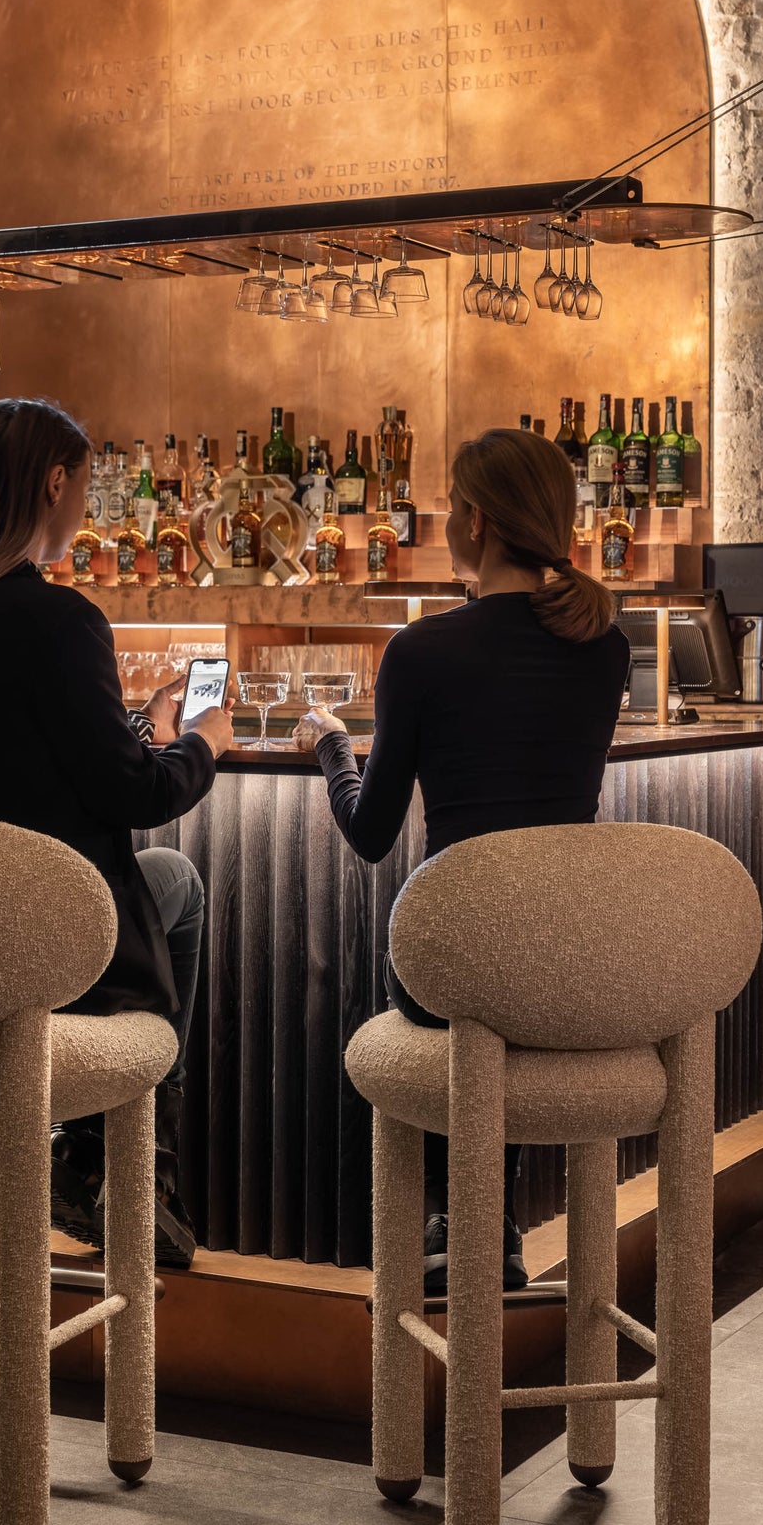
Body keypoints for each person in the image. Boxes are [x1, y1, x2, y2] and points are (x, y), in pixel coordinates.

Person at [0, 398, 233, 1269]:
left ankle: (102, 1154)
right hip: (47, 938)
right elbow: (133, 795)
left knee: (162, 884)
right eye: (82, 486)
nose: (86, 506)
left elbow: (6, 755)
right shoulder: (61, 620)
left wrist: (130, 723)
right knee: (178, 886)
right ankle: (117, 1151)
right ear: (55, 481)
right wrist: (200, 742)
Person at [294, 428, 629, 1292]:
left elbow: (369, 834)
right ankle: (489, 1219)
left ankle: (446, 1213)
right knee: (504, 961)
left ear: (473, 521)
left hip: (448, 962)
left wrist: (332, 747)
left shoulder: (422, 651)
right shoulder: (604, 645)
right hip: (575, 960)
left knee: (451, 957)